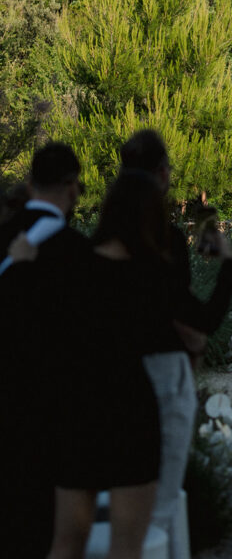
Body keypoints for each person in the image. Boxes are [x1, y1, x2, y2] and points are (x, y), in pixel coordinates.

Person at [119, 129, 232, 551]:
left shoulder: (100, 242)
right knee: (162, 498)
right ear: (163, 174)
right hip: (162, 373)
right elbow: (200, 318)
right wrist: (226, 262)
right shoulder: (164, 239)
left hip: (111, 376)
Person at [46, 168, 173, 559]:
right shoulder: (152, 274)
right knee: (126, 548)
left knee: (66, 544)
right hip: (131, 408)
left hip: (77, 406)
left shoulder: (73, 264)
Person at [0, 143, 90, 559]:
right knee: (42, 528)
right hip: (53, 411)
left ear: (32, 182)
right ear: (72, 187)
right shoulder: (77, 252)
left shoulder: (5, 235)